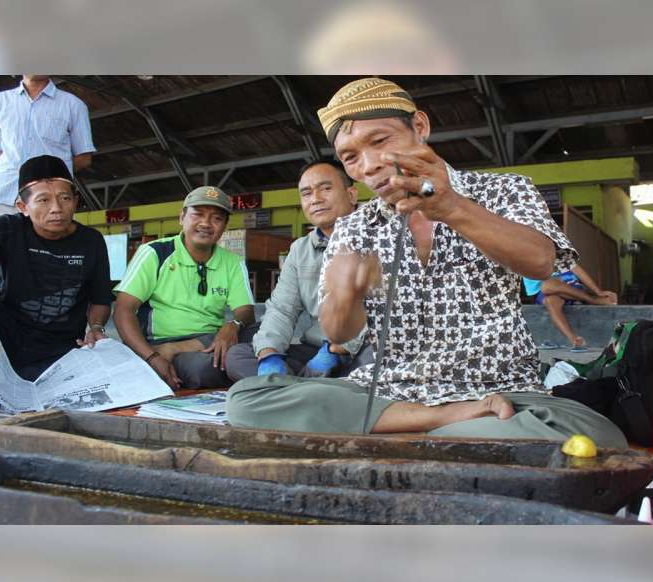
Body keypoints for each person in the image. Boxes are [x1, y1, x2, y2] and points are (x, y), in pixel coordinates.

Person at [226, 78, 626, 448]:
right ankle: (450, 425)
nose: (367, 166)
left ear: (420, 126)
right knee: (247, 400)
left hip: (498, 387)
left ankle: (409, 434)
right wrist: (345, 297)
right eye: (350, 157)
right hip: (386, 390)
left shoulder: (503, 189)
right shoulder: (354, 227)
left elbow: (541, 262)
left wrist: (452, 207)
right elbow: (339, 333)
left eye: (380, 140)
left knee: (598, 433)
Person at [0, 154, 111, 381]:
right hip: (6, 338)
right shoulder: (8, 228)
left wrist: (96, 327)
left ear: (75, 201)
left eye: (65, 198)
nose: (56, 208)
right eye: (43, 200)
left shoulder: (92, 241)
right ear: (23, 206)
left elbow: (100, 299)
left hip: (62, 346)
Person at [225, 160, 371, 382]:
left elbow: (382, 310)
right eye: (307, 193)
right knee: (238, 356)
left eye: (326, 188)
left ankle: (289, 391)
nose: (316, 199)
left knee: (377, 363)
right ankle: (304, 388)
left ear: (351, 194)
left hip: (361, 349)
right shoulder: (300, 249)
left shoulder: (380, 237)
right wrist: (269, 354)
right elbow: (282, 310)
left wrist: (335, 350)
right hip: (314, 349)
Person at [113, 186, 256, 390]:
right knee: (203, 369)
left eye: (216, 218)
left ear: (224, 226)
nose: (206, 224)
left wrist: (232, 325)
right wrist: (152, 357)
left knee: (262, 330)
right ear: (182, 217)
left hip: (214, 339)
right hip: (162, 342)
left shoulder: (233, 262)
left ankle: (190, 351)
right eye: (198, 214)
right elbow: (123, 310)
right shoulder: (154, 253)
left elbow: (246, 312)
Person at [0, 75, 95, 283]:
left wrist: (49, 178)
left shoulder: (73, 105)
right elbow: (0, 151)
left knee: (44, 271)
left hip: (46, 203)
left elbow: (83, 158)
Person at [523, 265, 618, 350]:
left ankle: (592, 299)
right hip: (546, 294)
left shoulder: (556, 249)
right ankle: (573, 338)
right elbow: (533, 291)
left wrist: (598, 292)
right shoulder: (524, 259)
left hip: (571, 287)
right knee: (549, 298)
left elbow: (575, 268)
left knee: (546, 286)